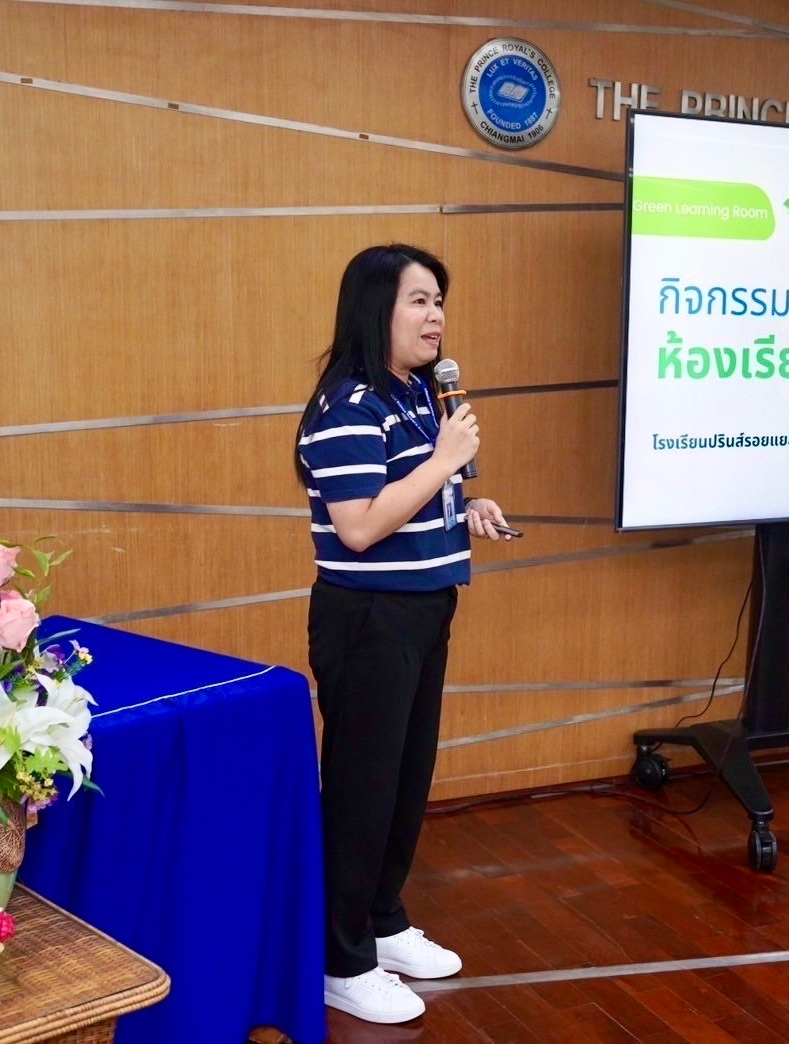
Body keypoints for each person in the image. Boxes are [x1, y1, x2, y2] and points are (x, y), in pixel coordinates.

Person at [294, 244, 513, 1026]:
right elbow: (358, 527)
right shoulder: (348, 405)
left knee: (405, 781)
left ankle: (382, 920)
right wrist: (447, 459)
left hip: (425, 610)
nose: (435, 317)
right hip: (369, 620)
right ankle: (341, 961)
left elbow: (414, 496)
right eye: (418, 301)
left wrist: (468, 503)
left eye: (439, 301)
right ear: (374, 310)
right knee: (362, 792)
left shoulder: (419, 393)